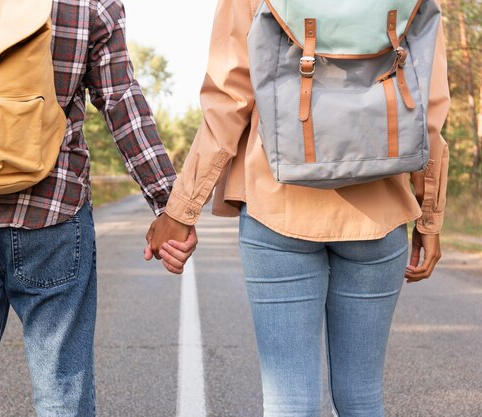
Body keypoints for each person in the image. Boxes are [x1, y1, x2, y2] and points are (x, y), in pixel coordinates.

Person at [0, 0, 195, 416]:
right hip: (52, 217)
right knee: (62, 396)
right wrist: (169, 206)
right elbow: (122, 105)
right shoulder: (90, 5)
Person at [147, 0, 450, 415]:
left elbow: (229, 98)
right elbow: (428, 107)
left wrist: (181, 210)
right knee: (362, 395)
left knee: (291, 401)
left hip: (277, 206)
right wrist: (430, 218)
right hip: (379, 208)